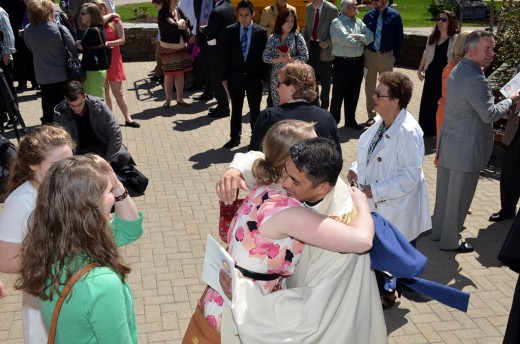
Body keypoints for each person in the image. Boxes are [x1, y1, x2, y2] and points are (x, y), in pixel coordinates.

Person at [204, 126, 375, 334]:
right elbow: (363, 240)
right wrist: (363, 205)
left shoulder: (263, 184)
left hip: (221, 299)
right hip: (240, 315)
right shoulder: (287, 211)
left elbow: (256, 157)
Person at [15, 154, 143, 343]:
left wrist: (115, 185)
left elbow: (131, 229)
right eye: (109, 192)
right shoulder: (102, 284)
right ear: (90, 205)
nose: (114, 198)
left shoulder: (48, 248)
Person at [347, 71, 431, 307]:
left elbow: (410, 177)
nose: (373, 96)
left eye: (378, 94)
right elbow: (371, 152)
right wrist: (356, 167)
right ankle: (385, 291)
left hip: (396, 204)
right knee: (381, 250)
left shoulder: (408, 132)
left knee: (390, 253)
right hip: (378, 201)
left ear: (394, 101)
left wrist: (373, 190)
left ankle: (388, 294)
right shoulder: (381, 122)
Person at [431, 30, 520, 253]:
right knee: (459, 198)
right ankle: (451, 241)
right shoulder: (476, 78)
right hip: (466, 148)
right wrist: (510, 101)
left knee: (445, 196)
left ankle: (439, 233)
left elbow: (473, 108)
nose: (492, 53)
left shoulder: (458, 68)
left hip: (451, 142)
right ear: (471, 50)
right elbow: (488, 114)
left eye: (493, 48)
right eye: (487, 49)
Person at [0, 125, 76, 344]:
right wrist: (59, 253)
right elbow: (5, 261)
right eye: (56, 165)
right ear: (33, 165)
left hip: (78, 291)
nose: (66, 170)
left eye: (69, 161)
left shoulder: (67, 186)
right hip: (46, 297)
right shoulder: (20, 202)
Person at [249, 62, 339, 152]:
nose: (276, 89)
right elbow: (337, 160)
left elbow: (254, 154)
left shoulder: (269, 116)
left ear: (291, 89)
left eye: (279, 84)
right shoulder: (327, 117)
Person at [54, 81, 132, 171]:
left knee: (123, 155)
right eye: (72, 105)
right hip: (79, 152)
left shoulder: (100, 106)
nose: (77, 109)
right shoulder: (59, 113)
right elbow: (60, 143)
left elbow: (115, 133)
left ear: (85, 95)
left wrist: (108, 160)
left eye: (80, 104)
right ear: (65, 99)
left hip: (102, 146)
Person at [221, 0, 267, 149]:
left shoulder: (260, 32)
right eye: (240, 15)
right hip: (235, 78)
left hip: (254, 78)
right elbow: (225, 55)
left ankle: (256, 139)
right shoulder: (230, 31)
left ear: (252, 14)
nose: (243, 18)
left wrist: (263, 78)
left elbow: (264, 58)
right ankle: (235, 137)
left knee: (255, 110)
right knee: (236, 109)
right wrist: (224, 77)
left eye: (246, 15)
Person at [24, 0, 77, 124]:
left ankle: (49, 132)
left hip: (43, 76)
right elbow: (73, 49)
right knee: (65, 108)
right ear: (47, 12)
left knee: (48, 109)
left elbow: (30, 48)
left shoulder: (28, 30)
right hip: (62, 75)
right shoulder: (59, 28)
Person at [92, 0, 139, 127]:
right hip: (100, 60)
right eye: (97, 9)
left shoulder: (116, 21)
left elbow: (122, 40)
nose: (100, 11)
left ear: (105, 8)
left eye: (101, 8)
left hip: (114, 58)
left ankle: (128, 118)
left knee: (118, 92)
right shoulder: (95, 23)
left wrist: (108, 44)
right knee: (105, 90)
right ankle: (110, 118)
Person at [329, 0, 373, 129]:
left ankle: (350, 120)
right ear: (347, 9)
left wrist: (358, 37)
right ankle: (333, 122)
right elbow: (345, 40)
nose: (357, 7)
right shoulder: (337, 23)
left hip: (357, 62)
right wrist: (361, 40)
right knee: (338, 94)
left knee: (354, 93)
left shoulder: (358, 22)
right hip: (342, 63)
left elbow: (370, 37)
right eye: (355, 5)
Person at [417, 10, 460, 137]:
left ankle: (438, 129)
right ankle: (425, 129)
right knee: (427, 101)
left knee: (440, 102)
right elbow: (426, 53)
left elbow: (457, 58)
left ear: (450, 22)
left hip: (445, 75)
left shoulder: (455, 38)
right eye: (438, 19)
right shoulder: (432, 37)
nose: (440, 22)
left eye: (444, 19)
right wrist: (419, 69)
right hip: (431, 73)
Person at [363, 0, 403, 127]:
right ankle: (371, 115)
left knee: (386, 88)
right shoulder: (368, 16)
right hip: (369, 55)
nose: (374, 2)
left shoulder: (395, 16)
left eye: (377, 0)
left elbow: (399, 38)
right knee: (370, 87)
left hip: (386, 56)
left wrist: (393, 57)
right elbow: (362, 35)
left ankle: (385, 115)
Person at [434, 30, 470, 166]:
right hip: (449, 111)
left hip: (453, 110)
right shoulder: (453, 67)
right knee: (446, 152)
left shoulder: (461, 65)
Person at [490, 63, 520, 223]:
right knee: (509, 170)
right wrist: (508, 109)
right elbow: (513, 91)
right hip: (516, 127)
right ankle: (507, 210)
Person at [262, 8, 308, 107]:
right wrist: (279, 60)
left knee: (293, 107)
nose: (290, 24)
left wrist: (290, 59)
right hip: (276, 79)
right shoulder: (273, 37)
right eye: (287, 21)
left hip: (293, 79)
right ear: (280, 21)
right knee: (277, 107)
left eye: (292, 21)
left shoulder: (297, 37)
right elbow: (265, 57)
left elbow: (305, 57)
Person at [199, 0, 235, 118]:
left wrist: (204, 29)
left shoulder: (216, 11)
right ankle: (222, 105)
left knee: (217, 80)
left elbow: (211, 31)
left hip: (217, 52)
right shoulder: (229, 7)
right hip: (227, 49)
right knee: (223, 79)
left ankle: (223, 107)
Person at [302, 0, 337, 110]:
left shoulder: (332, 9)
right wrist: (301, 40)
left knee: (326, 81)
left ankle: (324, 105)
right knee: (311, 78)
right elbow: (307, 27)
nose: (312, 1)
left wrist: (328, 42)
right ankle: (314, 102)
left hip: (324, 48)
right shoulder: (309, 8)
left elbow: (336, 32)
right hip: (311, 47)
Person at [158, 0, 193, 108]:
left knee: (180, 73)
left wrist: (181, 23)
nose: (176, 1)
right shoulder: (163, 12)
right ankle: (168, 99)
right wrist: (180, 24)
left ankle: (179, 98)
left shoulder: (177, 9)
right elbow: (172, 26)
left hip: (181, 46)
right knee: (169, 74)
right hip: (169, 47)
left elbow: (188, 22)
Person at [76, 3, 108, 99]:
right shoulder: (99, 27)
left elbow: (81, 47)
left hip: (93, 70)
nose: (80, 15)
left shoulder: (92, 30)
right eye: (80, 13)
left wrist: (78, 42)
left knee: (95, 100)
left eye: (83, 13)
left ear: (92, 14)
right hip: (98, 69)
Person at [0, 6, 18, 107]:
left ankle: (14, 115)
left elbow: (8, 34)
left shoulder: (0, 12)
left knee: (7, 89)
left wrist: (7, 54)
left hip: (3, 57)